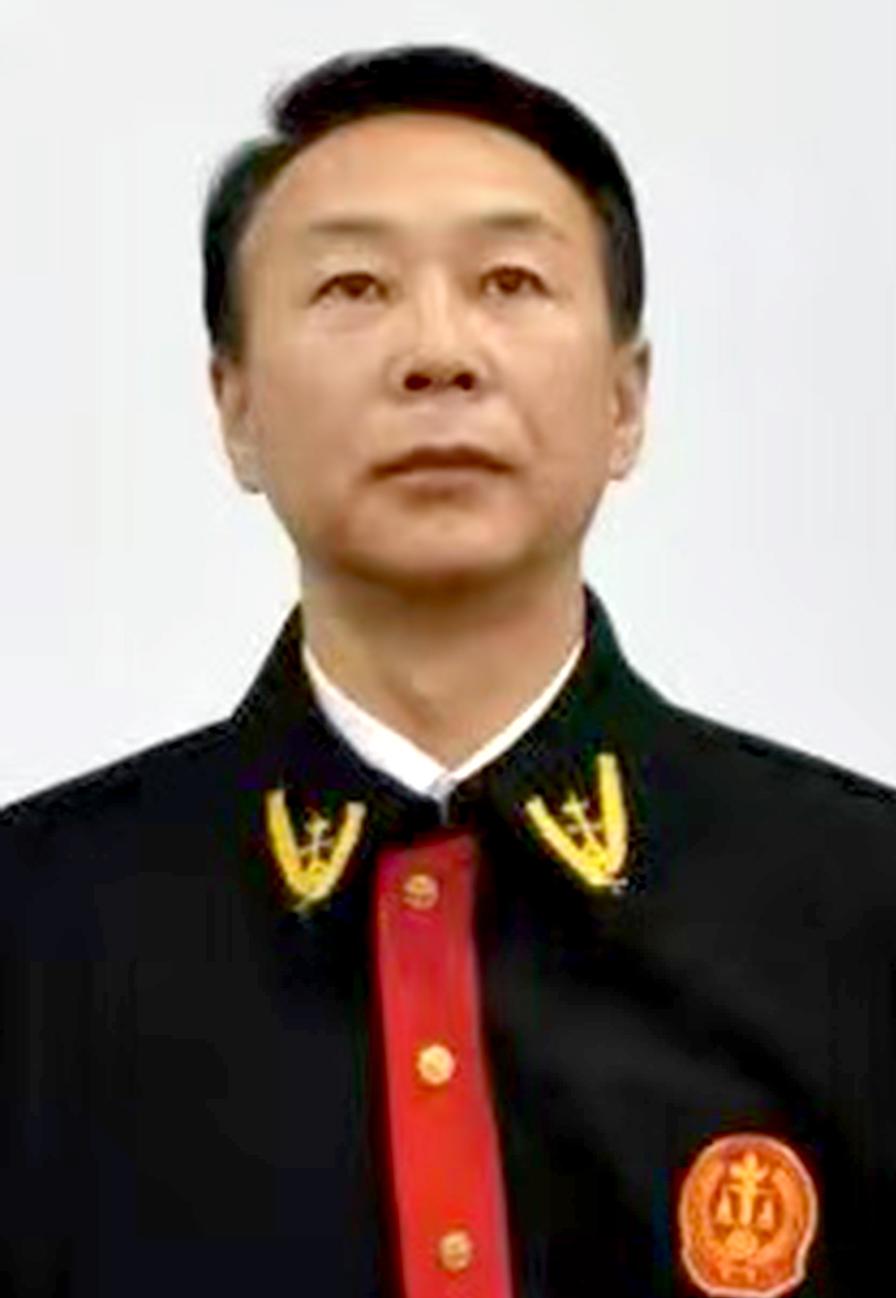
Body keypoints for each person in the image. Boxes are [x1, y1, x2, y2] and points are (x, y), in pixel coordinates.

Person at [1, 43, 893, 1298]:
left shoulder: (861, 910)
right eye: (353, 286)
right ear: (235, 408)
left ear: (625, 399)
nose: (437, 352)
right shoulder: (34, 935)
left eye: (509, 281)